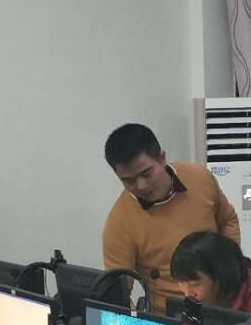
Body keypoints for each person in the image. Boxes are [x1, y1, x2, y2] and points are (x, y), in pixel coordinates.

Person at [102, 123, 241, 311]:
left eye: (146, 173)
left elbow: (228, 220)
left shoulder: (199, 177)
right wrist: (139, 324)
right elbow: (118, 295)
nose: (141, 186)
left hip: (226, 304)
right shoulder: (119, 223)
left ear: (162, 158)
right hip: (170, 316)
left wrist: (230, 270)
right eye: (128, 180)